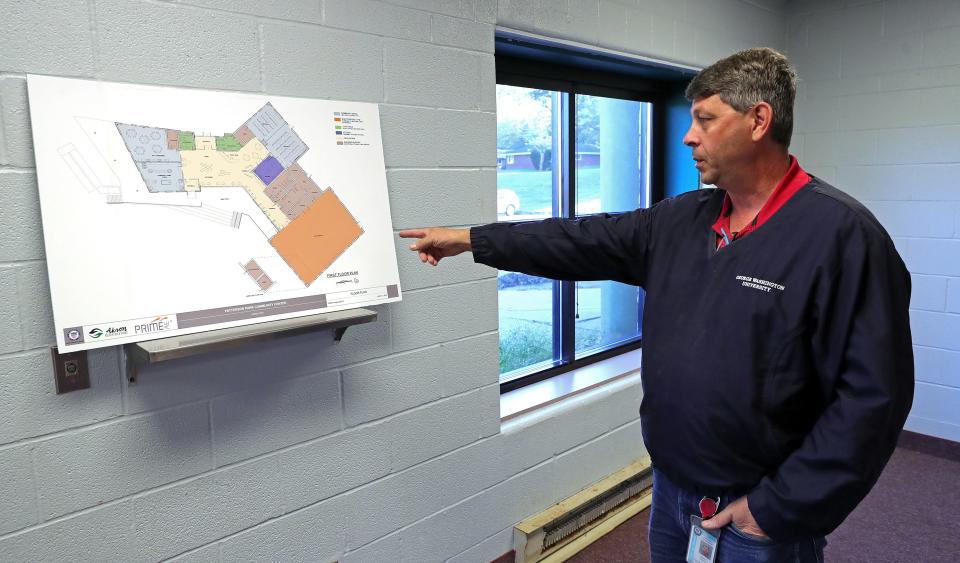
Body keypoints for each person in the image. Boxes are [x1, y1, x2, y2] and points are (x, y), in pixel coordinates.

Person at [399, 47, 913, 562]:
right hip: (671, 491)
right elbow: (579, 239)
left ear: (759, 120)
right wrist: (471, 239)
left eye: (706, 120)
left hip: (759, 513)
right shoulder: (682, 220)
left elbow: (873, 400)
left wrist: (776, 507)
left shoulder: (844, 237)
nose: (689, 136)